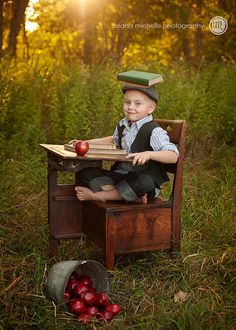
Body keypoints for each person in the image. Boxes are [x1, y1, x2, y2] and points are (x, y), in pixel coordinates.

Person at [74, 84, 179, 204]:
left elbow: (173, 155)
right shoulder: (123, 124)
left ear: (151, 108)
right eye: (127, 102)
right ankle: (129, 196)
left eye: (138, 104)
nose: (130, 107)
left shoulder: (154, 131)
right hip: (121, 176)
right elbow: (113, 140)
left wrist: (149, 154)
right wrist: (86, 143)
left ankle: (100, 196)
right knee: (85, 172)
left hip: (141, 178)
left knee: (145, 182)